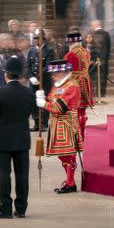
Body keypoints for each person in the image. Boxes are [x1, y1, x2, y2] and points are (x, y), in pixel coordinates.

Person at [0, 56, 35, 219]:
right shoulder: (28, 92)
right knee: (22, 175)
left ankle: (5, 208)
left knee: (4, 174)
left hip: (2, 138)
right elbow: (29, 113)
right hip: (22, 138)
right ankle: (21, 209)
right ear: (20, 75)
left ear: (6, 73)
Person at [35, 59, 85, 194]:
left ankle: (70, 182)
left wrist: (43, 104)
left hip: (67, 123)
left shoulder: (72, 86)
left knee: (68, 155)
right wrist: (44, 98)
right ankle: (69, 181)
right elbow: (52, 99)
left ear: (63, 72)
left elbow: (59, 108)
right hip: (57, 124)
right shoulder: (58, 85)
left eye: (55, 73)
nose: (52, 76)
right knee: (62, 155)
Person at [64, 32, 94, 139]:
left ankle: (77, 136)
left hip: (74, 84)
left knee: (75, 111)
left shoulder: (69, 55)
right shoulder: (86, 52)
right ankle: (82, 135)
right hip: (85, 82)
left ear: (71, 43)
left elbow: (66, 73)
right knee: (83, 110)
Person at [26, 29, 55, 131]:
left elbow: (47, 66)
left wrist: (38, 78)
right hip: (33, 81)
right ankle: (36, 123)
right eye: (35, 38)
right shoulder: (31, 50)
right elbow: (28, 65)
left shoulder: (49, 50)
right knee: (33, 102)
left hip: (45, 81)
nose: (36, 40)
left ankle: (44, 124)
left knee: (44, 101)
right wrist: (31, 77)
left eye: (38, 38)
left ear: (43, 39)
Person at [91, 20, 111, 98]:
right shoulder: (107, 34)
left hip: (95, 60)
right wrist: (106, 59)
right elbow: (109, 48)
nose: (91, 27)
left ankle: (97, 94)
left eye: (92, 25)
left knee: (96, 77)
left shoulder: (92, 34)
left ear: (95, 25)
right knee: (103, 77)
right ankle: (102, 93)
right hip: (104, 60)